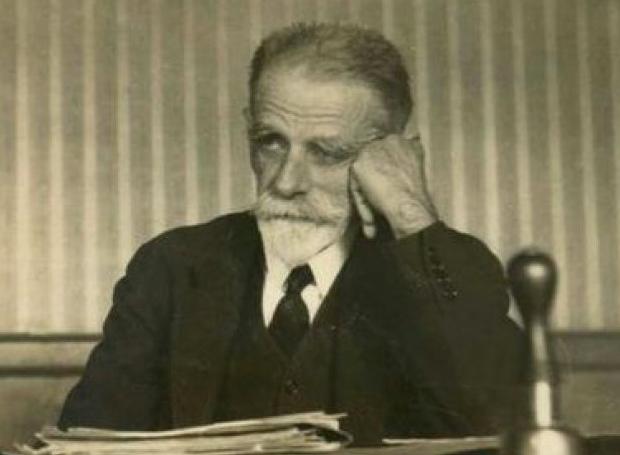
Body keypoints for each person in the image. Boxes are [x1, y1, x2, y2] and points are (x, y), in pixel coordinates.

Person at [58, 23, 524, 446]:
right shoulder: (171, 269)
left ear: (395, 157)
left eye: (326, 152)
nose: (285, 182)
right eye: (271, 142)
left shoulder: (447, 271)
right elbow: (85, 443)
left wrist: (409, 212)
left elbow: (503, 427)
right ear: (249, 132)